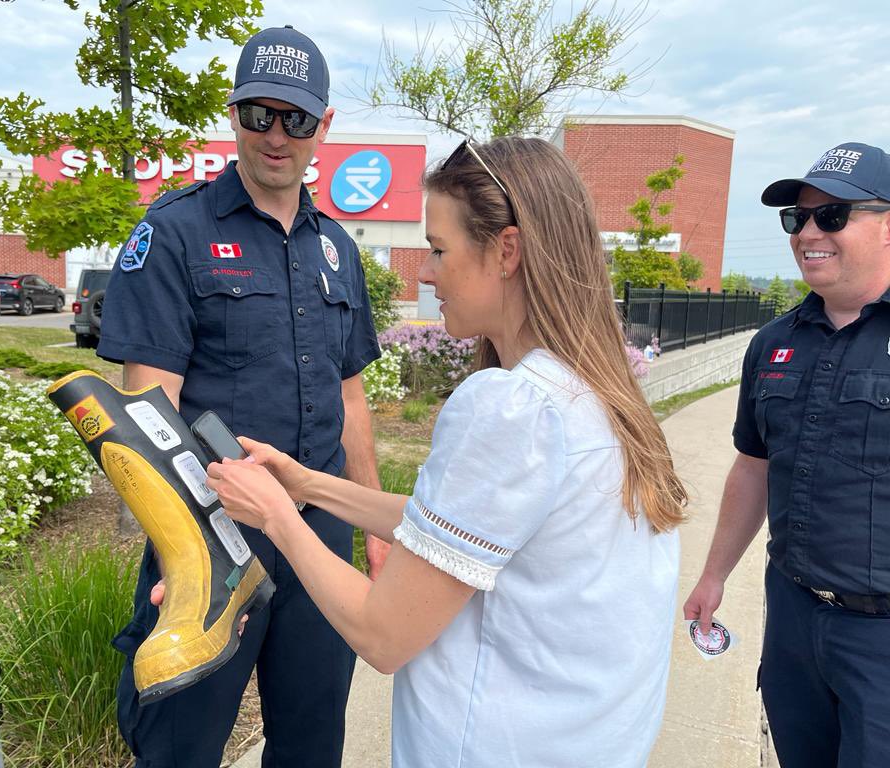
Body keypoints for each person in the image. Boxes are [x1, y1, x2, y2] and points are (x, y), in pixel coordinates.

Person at [195, 136, 686, 767]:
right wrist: (306, 486)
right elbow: (458, 531)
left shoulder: (513, 409)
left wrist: (278, 518)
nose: (424, 273)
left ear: (505, 250)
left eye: (437, 249)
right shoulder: (596, 391)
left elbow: (382, 633)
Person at [96, 25, 383, 768]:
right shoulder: (175, 235)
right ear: (233, 115)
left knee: (313, 741)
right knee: (181, 744)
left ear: (323, 126)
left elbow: (351, 401)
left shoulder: (337, 250)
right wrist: (179, 552)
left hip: (320, 535)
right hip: (214, 539)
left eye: (295, 118)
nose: (276, 135)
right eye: (259, 114)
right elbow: (145, 419)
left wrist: (374, 530)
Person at [684, 142, 890, 767]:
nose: (807, 233)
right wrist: (714, 573)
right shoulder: (773, 343)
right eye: (796, 218)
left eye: (831, 217)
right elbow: (754, 464)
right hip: (795, 619)